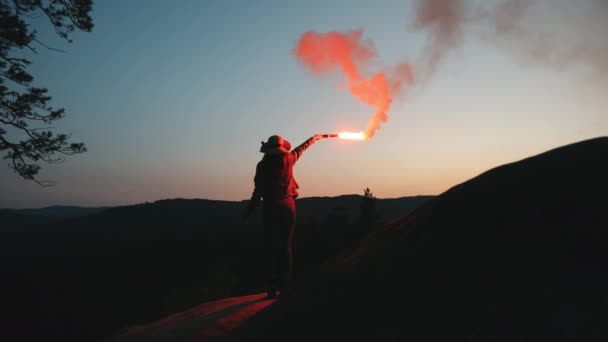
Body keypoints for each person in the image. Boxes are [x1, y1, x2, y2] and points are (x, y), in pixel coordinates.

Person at [243, 134, 323, 298]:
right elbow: (301, 149)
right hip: (288, 205)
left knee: (271, 246)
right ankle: (286, 285)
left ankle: (272, 287)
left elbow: (257, 192)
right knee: (286, 246)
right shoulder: (289, 158)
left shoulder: (262, 165)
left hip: (270, 206)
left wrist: (248, 211)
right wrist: (314, 138)